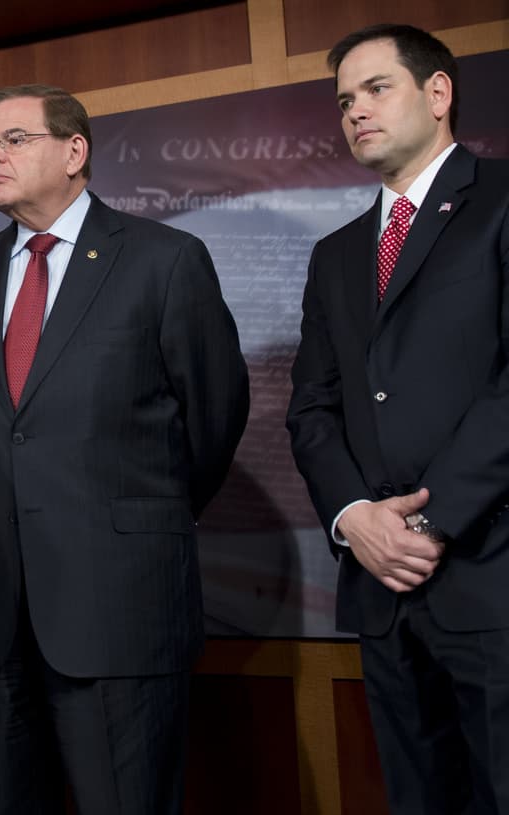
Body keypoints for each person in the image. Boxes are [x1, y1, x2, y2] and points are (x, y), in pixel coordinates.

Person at [0, 84, 249, 814]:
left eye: (14, 139)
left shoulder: (164, 261)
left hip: (118, 610)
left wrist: (130, 519)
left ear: (75, 151)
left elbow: (213, 418)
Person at [287, 24, 509, 813]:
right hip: (382, 591)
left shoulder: (501, 202)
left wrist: (431, 520)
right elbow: (311, 408)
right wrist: (356, 518)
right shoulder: (338, 254)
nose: (356, 111)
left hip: (492, 572)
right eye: (345, 99)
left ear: (438, 94)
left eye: (376, 89)